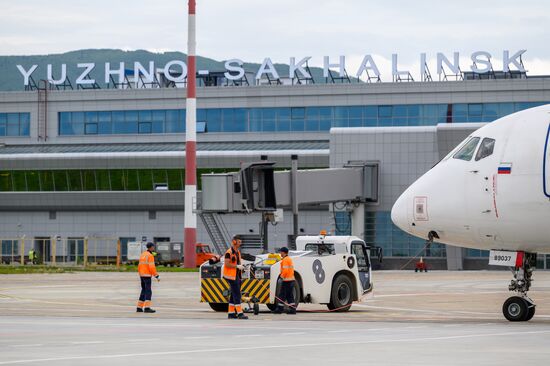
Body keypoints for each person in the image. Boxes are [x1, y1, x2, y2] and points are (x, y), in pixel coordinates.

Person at [223, 235, 247, 319]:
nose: (240, 243)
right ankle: (240, 313)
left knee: (233, 295)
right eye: (239, 242)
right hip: (231, 276)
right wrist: (237, 266)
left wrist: (241, 266)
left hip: (237, 275)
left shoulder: (238, 252)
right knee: (237, 294)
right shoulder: (229, 252)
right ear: (234, 242)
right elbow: (227, 264)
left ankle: (231, 313)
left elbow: (238, 262)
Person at [137, 242, 160, 313]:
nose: (154, 248)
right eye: (153, 247)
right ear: (151, 247)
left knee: (143, 290)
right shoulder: (150, 256)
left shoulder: (143, 254)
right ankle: (147, 308)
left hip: (142, 275)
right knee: (148, 291)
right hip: (147, 275)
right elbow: (151, 267)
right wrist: (156, 275)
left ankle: (139, 307)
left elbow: (139, 265)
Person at [275, 247, 296, 314]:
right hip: (291, 280)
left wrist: (281, 277)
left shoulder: (285, 260)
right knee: (289, 295)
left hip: (286, 280)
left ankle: (280, 309)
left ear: (283, 252)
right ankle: (292, 310)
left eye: (280, 252)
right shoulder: (288, 259)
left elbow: (285, 270)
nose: (280, 253)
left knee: (282, 295)